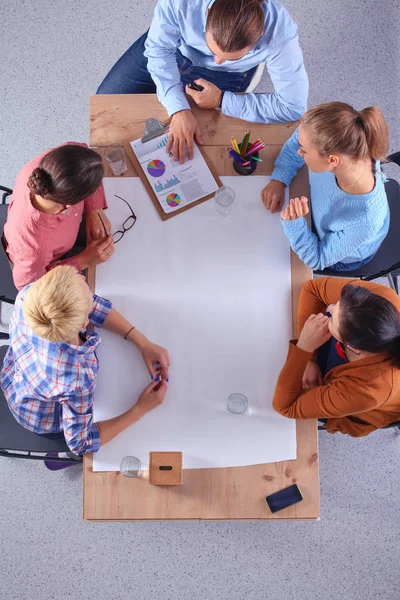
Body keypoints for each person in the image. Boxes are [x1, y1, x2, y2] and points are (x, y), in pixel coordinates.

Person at [97, 0, 308, 162]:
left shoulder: (280, 33)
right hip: (171, 49)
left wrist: (223, 101)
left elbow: (292, 107)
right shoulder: (182, 3)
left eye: (229, 57)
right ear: (207, 15)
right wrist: (178, 108)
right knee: (103, 108)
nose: (216, 61)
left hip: (227, 76)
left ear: (258, 38)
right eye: (214, 50)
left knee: (209, 143)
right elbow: (159, 49)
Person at [0, 265, 170, 457]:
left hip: (14, 379)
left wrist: (142, 342)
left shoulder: (29, 294)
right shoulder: (77, 378)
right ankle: (59, 455)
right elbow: (81, 443)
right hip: (40, 418)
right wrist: (140, 409)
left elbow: (87, 306)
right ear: (84, 323)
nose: (82, 275)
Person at [261, 102, 390, 271]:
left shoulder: (366, 218)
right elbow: (299, 138)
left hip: (342, 252)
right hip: (323, 215)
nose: (298, 152)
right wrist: (279, 178)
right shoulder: (348, 141)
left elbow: (318, 258)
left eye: (304, 151)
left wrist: (294, 225)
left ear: (332, 160)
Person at [272, 277, 400, 436]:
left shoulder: (368, 389)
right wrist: (309, 360)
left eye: (332, 318)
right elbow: (313, 290)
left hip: (358, 401)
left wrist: (304, 348)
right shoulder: (382, 300)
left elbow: (285, 406)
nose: (330, 307)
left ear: (352, 347)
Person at [4, 143, 114, 290]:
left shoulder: (53, 164)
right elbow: (30, 287)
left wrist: (94, 209)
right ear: (69, 204)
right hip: (49, 267)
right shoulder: (34, 247)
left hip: (66, 235)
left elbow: (84, 152)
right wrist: (84, 261)